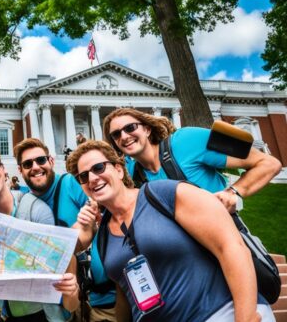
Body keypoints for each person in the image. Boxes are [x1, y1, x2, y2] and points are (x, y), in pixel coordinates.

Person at [67, 140, 275, 321]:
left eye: (99, 168)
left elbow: (231, 246)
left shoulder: (165, 193)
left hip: (222, 312)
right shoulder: (102, 235)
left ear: (119, 170)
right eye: (83, 176)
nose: (92, 178)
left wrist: (246, 316)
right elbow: (125, 294)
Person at [0, 143, 79, 321]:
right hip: (8, 313)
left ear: (3, 169)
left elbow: (61, 267)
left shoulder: (35, 209)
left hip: (44, 314)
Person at [14, 138, 116, 321]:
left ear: (51, 161)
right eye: (28, 164)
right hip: (66, 299)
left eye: (41, 160)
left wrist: (90, 218)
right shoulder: (25, 205)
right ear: (20, 170)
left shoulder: (70, 183)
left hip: (103, 294)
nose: (35, 167)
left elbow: (99, 211)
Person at [102, 107, 282, 211]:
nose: (124, 136)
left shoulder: (188, 140)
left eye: (130, 127)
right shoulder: (133, 174)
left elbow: (268, 163)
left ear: (147, 129)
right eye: (116, 134)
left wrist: (233, 192)